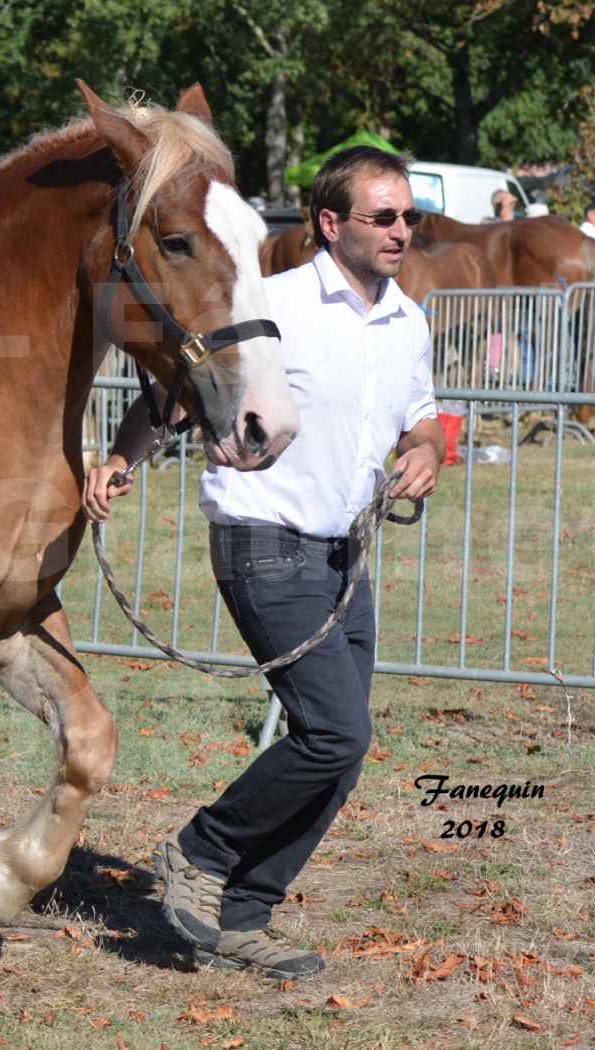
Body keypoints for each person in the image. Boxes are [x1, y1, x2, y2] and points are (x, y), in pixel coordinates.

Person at [83, 146, 445, 980]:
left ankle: (243, 917)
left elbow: (420, 417)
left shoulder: (407, 319)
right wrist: (121, 459)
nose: (401, 232)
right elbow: (168, 396)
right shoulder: (271, 304)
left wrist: (427, 453)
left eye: (408, 218)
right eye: (382, 217)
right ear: (330, 224)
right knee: (333, 730)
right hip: (262, 537)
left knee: (344, 748)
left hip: (343, 551)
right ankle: (199, 853)